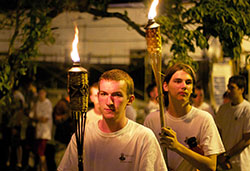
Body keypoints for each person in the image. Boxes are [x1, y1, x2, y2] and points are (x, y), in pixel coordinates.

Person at [58, 69, 167, 171]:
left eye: (117, 95)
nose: (109, 101)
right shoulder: (83, 135)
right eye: (104, 94)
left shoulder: (143, 138)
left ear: (130, 100)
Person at [144, 63, 225, 171]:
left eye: (188, 82)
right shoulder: (153, 119)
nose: (184, 86)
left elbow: (211, 166)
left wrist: (177, 147)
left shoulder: (204, 119)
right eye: (178, 81)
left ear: (192, 89)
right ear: (165, 86)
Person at [215, 75, 250, 171]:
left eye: (232, 88)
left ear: (241, 90)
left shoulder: (247, 109)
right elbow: (217, 133)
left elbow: (247, 139)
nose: (228, 91)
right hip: (224, 164)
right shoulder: (223, 109)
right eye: (228, 87)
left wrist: (228, 155)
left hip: (241, 164)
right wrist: (220, 156)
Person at [29, 88, 53, 171]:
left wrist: (38, 118)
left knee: (41, 152)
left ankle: (43, 169)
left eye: (43, 93)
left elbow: (45, 118)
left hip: (45, 132)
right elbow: (32, 115)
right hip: (38, 131)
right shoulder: (37, 103)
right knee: (38, 153)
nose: (41, 95)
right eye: (40, 93)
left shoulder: (47, 103)